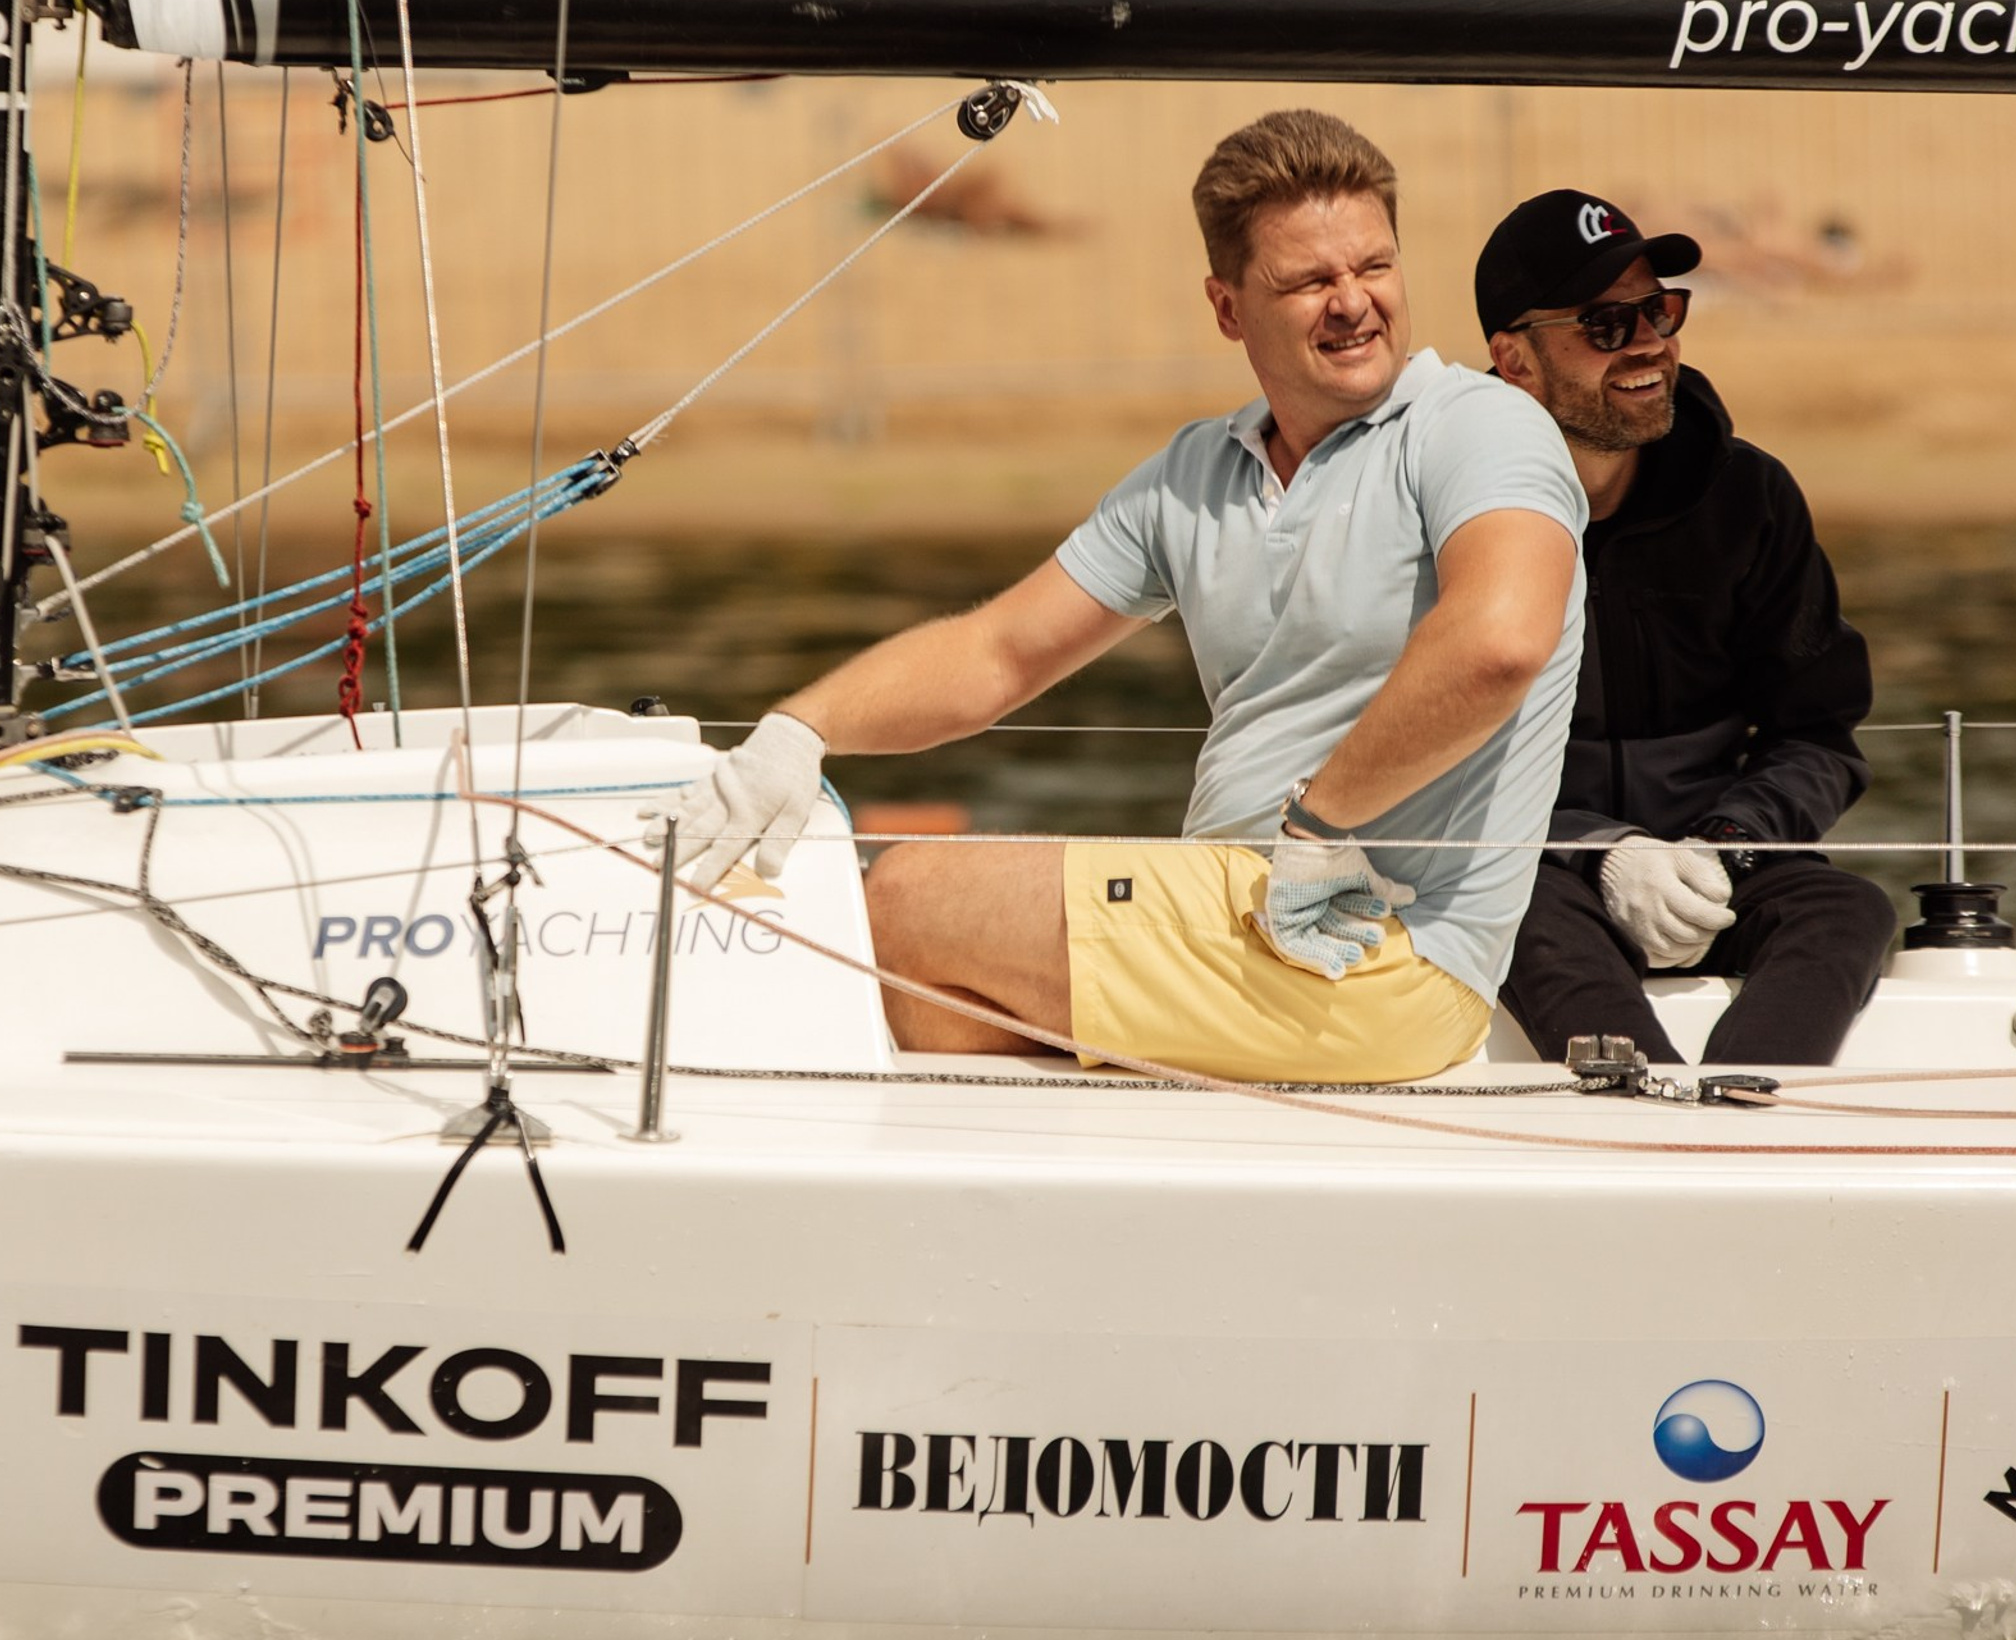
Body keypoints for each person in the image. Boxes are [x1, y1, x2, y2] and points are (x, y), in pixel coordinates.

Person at [650, 110, 1587, 1086]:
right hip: (1247, 928)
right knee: (941, 1014)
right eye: (1309, 281)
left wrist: (1316, 832)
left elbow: (1498, 643)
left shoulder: (1477, 427)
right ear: (1228, 308)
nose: (1353, 302)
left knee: (909, 896)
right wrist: (799, 730)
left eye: (1374, 266)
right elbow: (996, 654)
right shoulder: (1194, 471)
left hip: (1381, 951)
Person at [1475, 189, 1894, 1068]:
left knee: (1850, 909)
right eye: (1605, 324)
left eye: (1660, 311)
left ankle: (1745, 1119)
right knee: (1513, 910)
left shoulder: (1750, 497)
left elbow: (1816, 735)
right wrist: (1603, 855)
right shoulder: (1447, 507)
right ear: (1513, 359)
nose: (1650, 345)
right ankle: (1650, 1119)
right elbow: (1434, 764)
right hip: (1538, 870)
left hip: (1718, 862)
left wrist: (1724, 848)